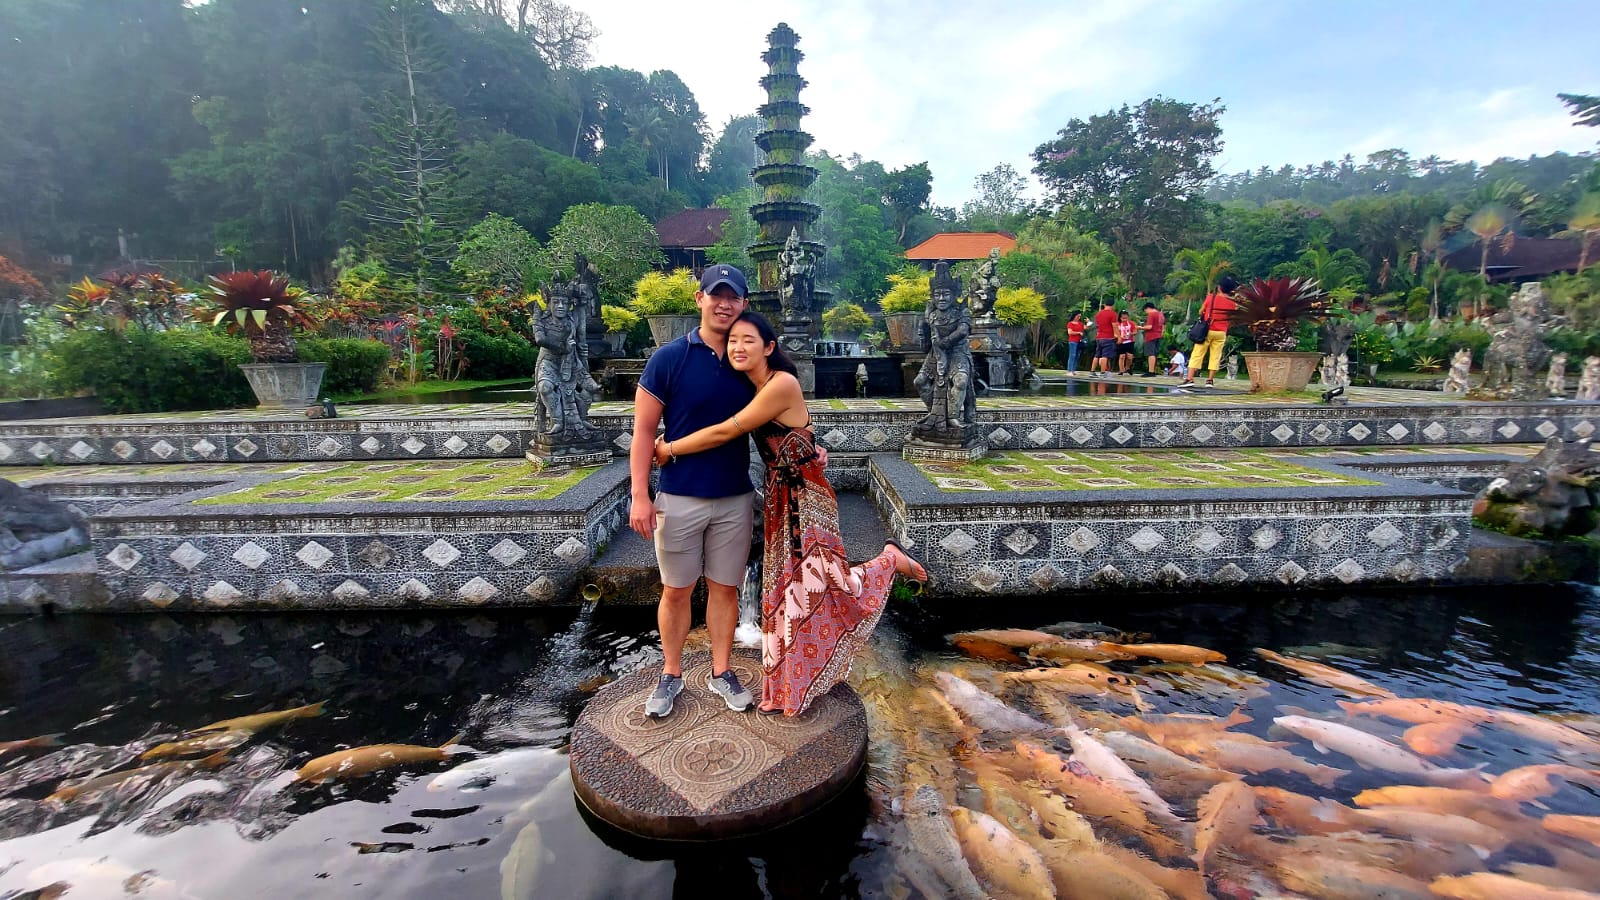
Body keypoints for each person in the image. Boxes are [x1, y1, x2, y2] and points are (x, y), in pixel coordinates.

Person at [654, 311, 927, 717]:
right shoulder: (750, 384)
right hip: (780, 495)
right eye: (732, 342)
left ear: (769, 347)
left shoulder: (781, 383)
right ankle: (787, 686)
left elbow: (729, 430)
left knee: (823, 582)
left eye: (748, 340)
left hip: (807, 495)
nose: (738, 348)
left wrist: (669, 448)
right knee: (788, 591)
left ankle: (888, 560)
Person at [629, 264, 762, 718]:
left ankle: (721, 670)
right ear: (699, 298)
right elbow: (644, 433)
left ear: (744, 304)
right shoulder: (670, 358)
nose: (724, 303)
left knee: (725, 590)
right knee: (676, 591)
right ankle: (670, 674)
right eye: (716, 295)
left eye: (734, 297)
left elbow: (779, 416)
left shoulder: (749, 361)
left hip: (734, 497)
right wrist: (640, 495)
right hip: (680, 495)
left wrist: (811, 452)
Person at [1184, 275, 1240, 387]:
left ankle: (1189, 379)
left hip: (1207, 330)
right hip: (1221, 332)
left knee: (1197, 354)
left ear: (1219, 287)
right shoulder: (1233, 304)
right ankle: (1209, 380)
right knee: (1215, 356)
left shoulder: (1211, 297)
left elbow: (1201, 312)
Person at [1090, 298, 1117, 376]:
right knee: (1105, 355)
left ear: (1104, 304)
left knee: (1097, 355)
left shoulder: (1099, 314)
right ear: (1113, 305)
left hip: (1099, 337)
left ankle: (1092, 371)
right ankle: (1103, 372)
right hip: (1108, 337)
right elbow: (1114, 326)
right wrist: (1118, 336)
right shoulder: (1113, 314)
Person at [1140, 301, 1166, 377]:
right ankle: (1153, 370)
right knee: (1154, 354)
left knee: (1150, 354)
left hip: (1151, 336)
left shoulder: (1152, 314)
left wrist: (1139, 327)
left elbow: (1149, 327)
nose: (1146, 313)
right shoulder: (1160, 314)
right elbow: (1163, 326)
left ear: (1147, 308)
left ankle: (1151, 371)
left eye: (1145, 311)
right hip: (1158, 335)